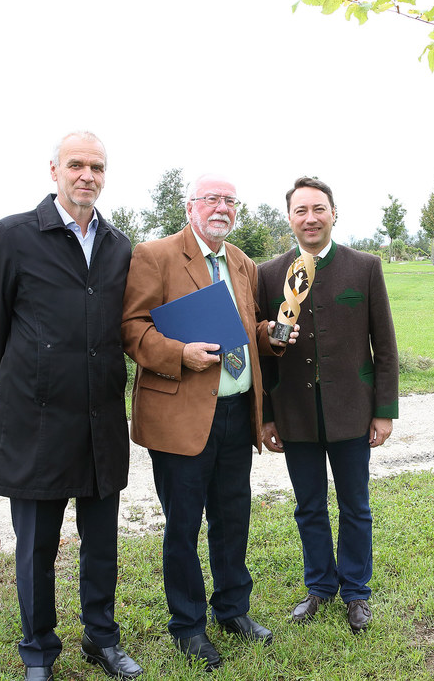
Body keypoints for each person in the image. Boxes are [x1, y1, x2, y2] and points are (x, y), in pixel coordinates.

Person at [0, 132, 141, 681]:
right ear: (54, 170)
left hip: (101, 419)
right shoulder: (14, 236)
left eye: (96, 166)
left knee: (102, 544)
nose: (86, 175)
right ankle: (39, 653)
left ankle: (101, 638)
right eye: (76, 165)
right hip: (38, 423)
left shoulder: (119, 245)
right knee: (37, 547)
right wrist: (35, 380)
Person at [121, 174, 292, 671]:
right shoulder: (155, 255)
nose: (222, 208)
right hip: (181, 417)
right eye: (212, 199)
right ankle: (188, 625)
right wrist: (178, 353)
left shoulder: (241, 261)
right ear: (191, 206)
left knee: (232, 517)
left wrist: (271, 333)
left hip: (237, 413)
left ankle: (232, 610)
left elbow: (247, 326)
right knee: (183, 525)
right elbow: (132, 327)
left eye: (230, 201)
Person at [258, 176, 399, 633]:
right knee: (309, 506)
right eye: (301, 210)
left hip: (353, 411)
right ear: (290, 218)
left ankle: (357, 591)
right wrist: (265, 417)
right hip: (295, 414)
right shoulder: (267, 274)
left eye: (318, 209)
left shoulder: (365, 267)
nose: (310, 218)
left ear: (333, 213)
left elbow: (386, 345)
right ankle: (320, 586)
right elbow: (261, 351)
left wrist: (384, 410)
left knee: (356, 506)